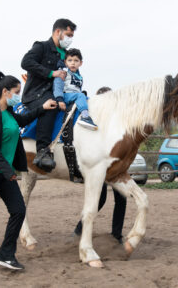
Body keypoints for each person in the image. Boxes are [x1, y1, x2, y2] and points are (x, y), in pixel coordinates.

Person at [0, 71, 57, 273]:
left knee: (18, 210)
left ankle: (6, 254)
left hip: (3, 175)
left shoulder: (9, 113)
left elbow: (23, 121)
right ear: (5, 92)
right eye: (17, 92)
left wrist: (42, 107)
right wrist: (10, 172)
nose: (19, 95)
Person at [21, 18, 76, 172]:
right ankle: (42, 151)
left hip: (59, 93)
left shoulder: (66, 54)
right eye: (68, 35)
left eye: (72, 36)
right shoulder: (41, 47)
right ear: (58, 32)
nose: (70, 39)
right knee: (51, 105)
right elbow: (26, 62)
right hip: (36, 94)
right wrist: (52, 73)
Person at [73, 86, 126, 243]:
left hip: (115, 167)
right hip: (99, 166)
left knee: (122, 198)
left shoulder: (117, 121)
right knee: (100, 198)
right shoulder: (94, 119)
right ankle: (78, 230)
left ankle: (117, 235)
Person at [53, 48, 98, 130]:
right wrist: (60, 99)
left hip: (75, 95)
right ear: (65, 62)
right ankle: (85, 117)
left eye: (76, 60)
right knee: (80, 96)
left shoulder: (79, 76)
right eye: (70, 60)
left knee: (87, 99)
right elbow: (58, 85)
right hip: (65, 95)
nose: (73, 63)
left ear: (80, 63)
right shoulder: (63, 72)